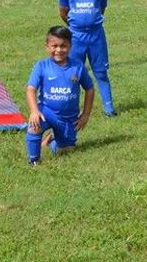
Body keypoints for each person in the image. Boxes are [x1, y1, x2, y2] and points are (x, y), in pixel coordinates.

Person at [25, 26, 95, 166]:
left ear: (70, 46)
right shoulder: (42, 66)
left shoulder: (78, 67)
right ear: (47, 47)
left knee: (67, 150)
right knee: (34, 126)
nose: (58, 50)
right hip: (46, 111)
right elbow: (31, 89)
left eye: (63, 46)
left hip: (68, 118)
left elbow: (90, 89)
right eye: (54, 46)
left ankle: (52, 141)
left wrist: (86, 114)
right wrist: (34, 111)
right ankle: (34, 161)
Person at [58, 0, 116, 116]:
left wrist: (91, 23)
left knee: (101, 72)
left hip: (96, 36)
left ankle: (109, 108)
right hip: (76, 37)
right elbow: (63, 12)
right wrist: (76, 26)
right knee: (74, 73)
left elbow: (101, 9)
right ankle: (70, 107)